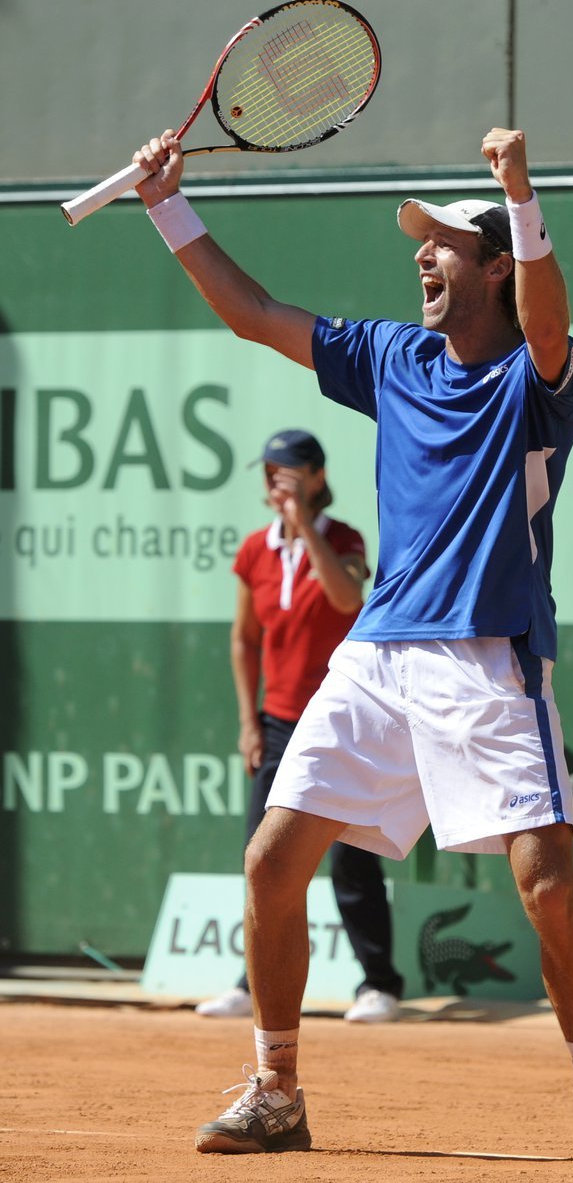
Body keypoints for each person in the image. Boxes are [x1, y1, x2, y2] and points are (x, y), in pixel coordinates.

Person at [132, 125, 573, 1166]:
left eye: (445, 242)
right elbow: (255, 315)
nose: (422, 253)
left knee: (546, 882)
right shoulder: (390, 357)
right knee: (273, 861)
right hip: (375, 656)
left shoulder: (535, 379)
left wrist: (519, 190)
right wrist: (165, 206)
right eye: (420, 242)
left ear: (494, 266)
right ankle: (276, 1087)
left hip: (488, 656)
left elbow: (548, 323)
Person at [195, 427, 403, 1024]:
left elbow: (345, 600)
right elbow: (244, 640)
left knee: (351, 857)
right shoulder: (254, 551)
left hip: (344, 720)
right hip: (279, 722)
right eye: (267, 470)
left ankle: (380, 984)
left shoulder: (345, 540)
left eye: (285, 470)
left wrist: (304, 526)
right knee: (263, 856)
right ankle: (250, 981)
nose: (273, 480)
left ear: (315, 476)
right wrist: (248, 721)